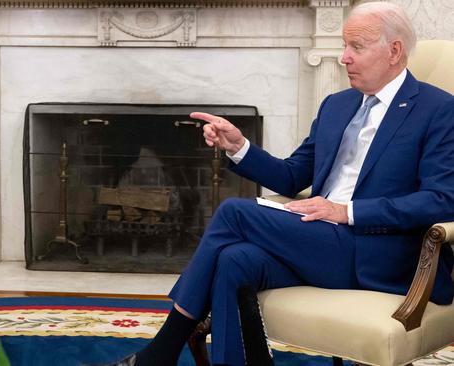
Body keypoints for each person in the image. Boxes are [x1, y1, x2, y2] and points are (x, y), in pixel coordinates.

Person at [97, 2, 454, 366]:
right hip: (320, 241)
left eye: (356, 47)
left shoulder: (438, 110)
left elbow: (442, 200)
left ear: (394, 51)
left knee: (235, 211)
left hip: (382, 253)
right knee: (235, 259)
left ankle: (160, 352)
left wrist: (347, 211)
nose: (344, 57)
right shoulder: (337, 104)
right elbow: (292, 175)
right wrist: (239, 147)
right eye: (344, 46)